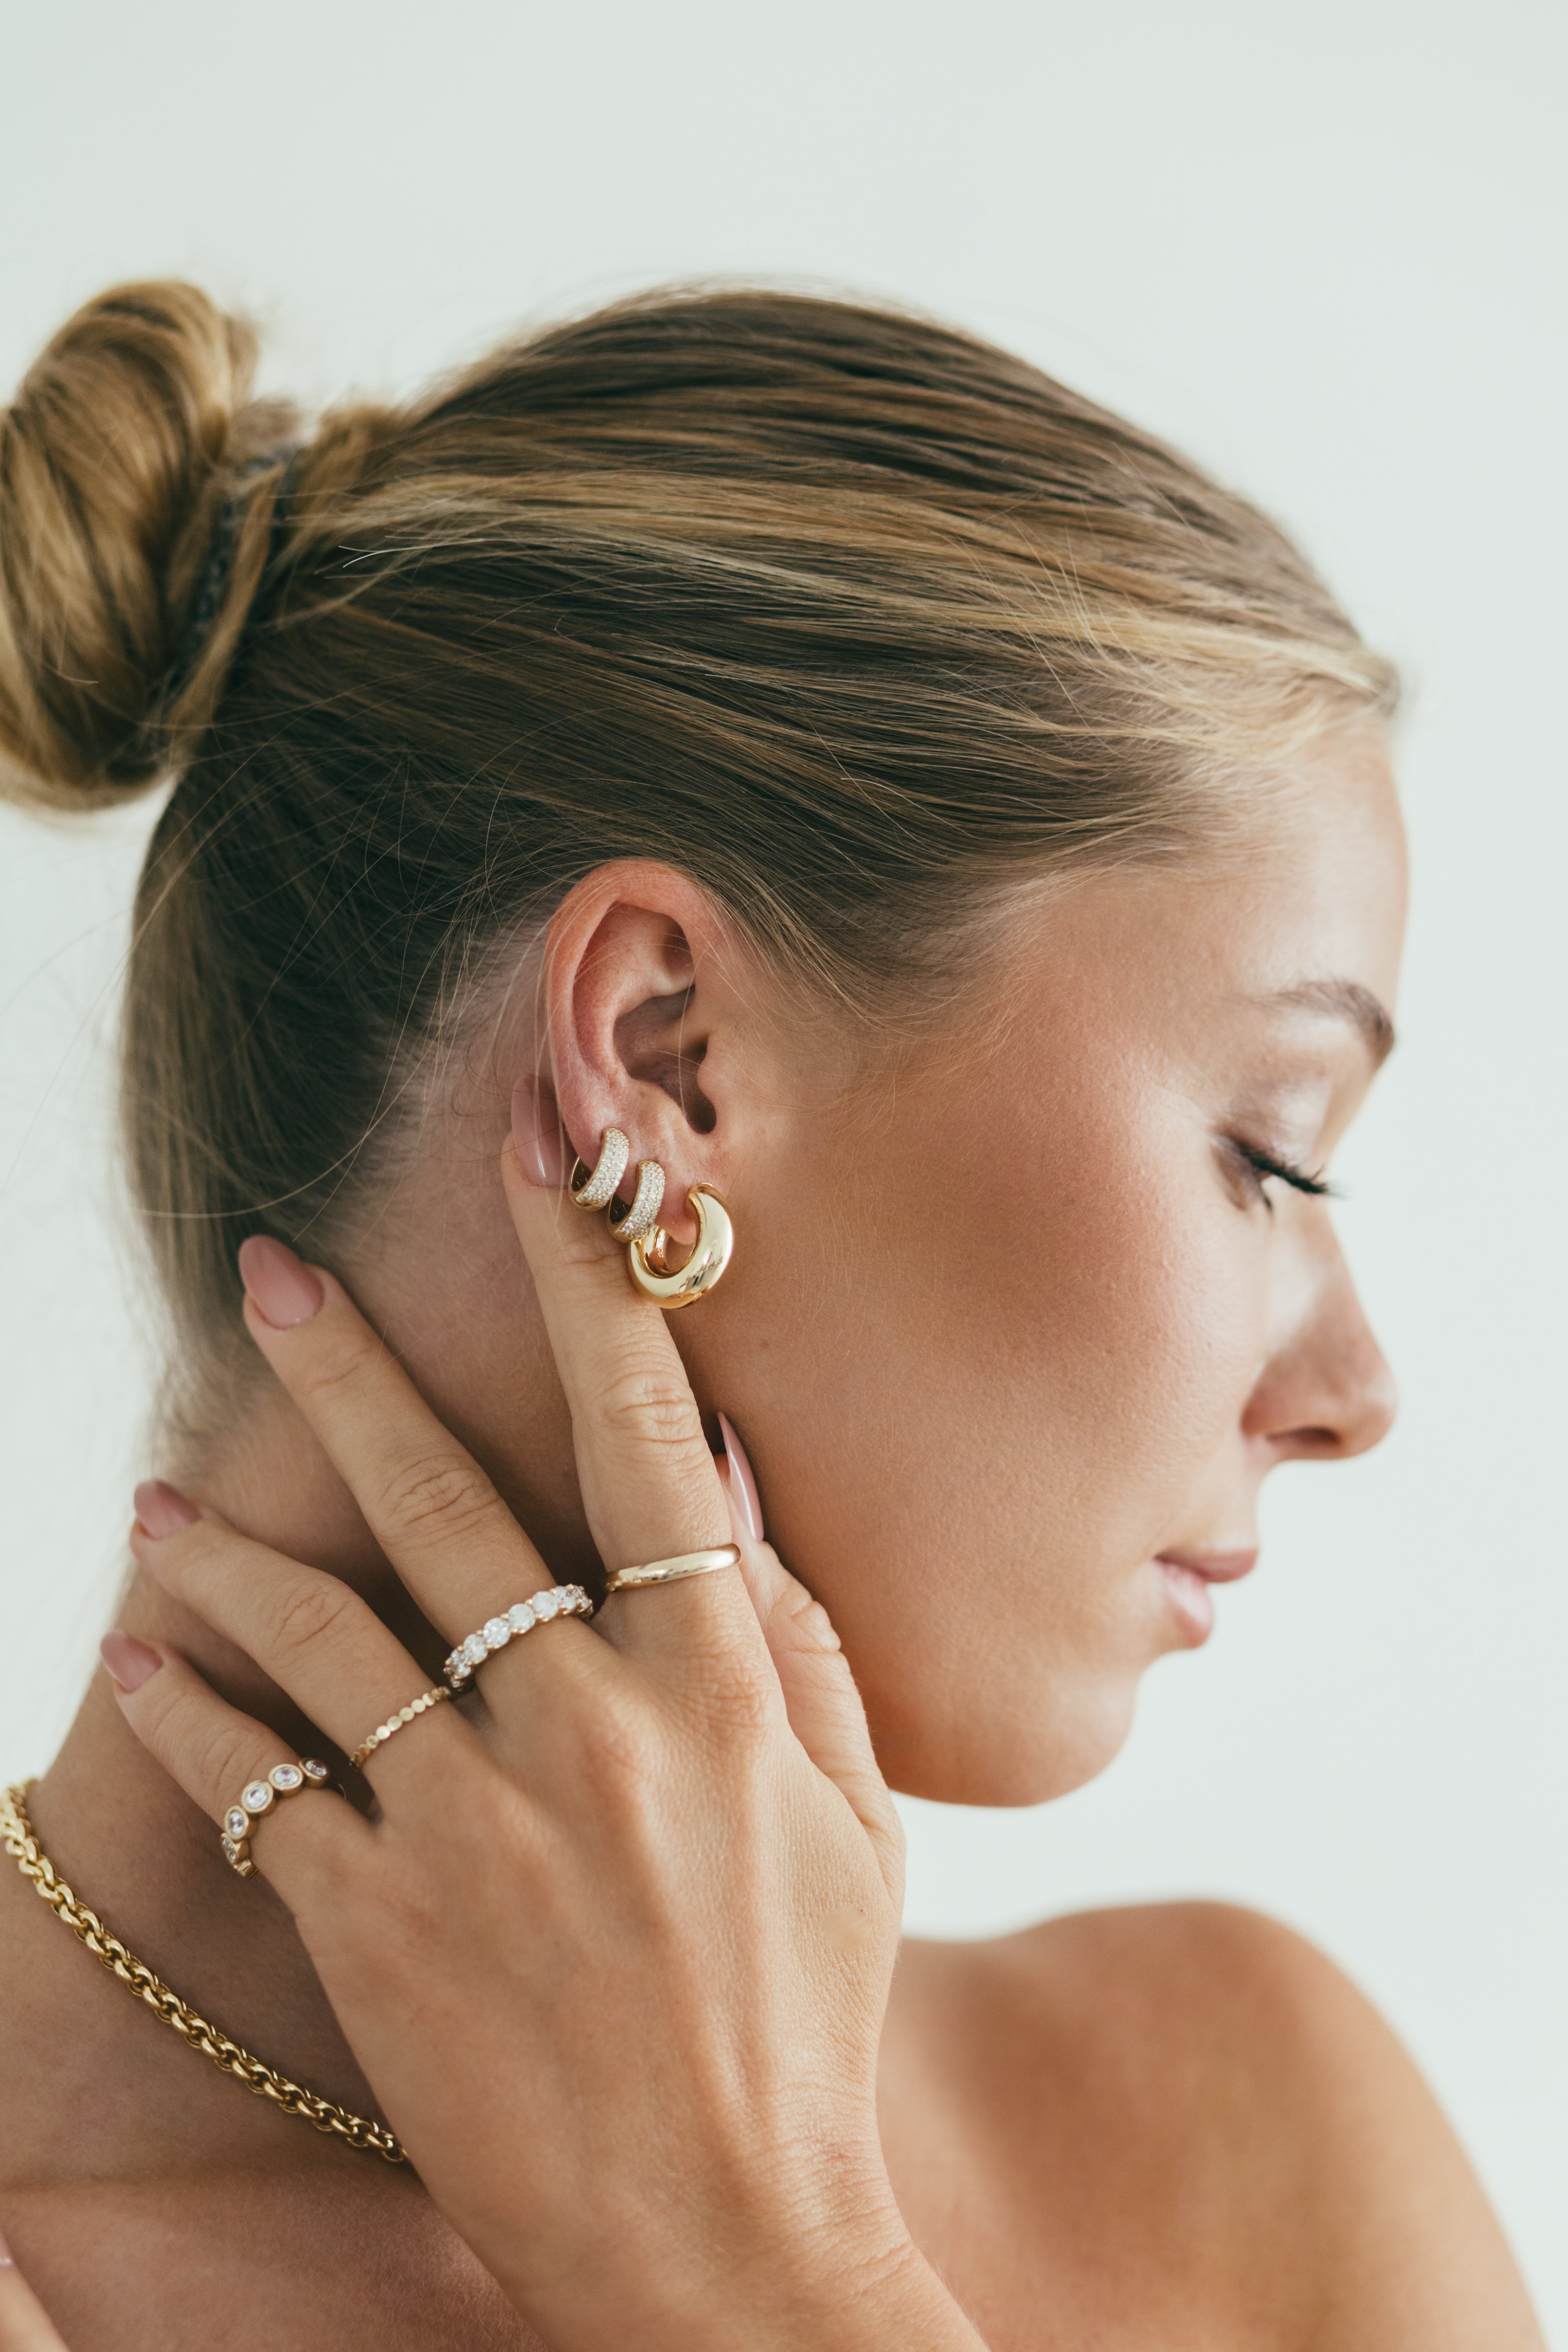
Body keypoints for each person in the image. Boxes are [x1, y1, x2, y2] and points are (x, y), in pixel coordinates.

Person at [0, 281, 1542, 2351]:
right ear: (663, 1054)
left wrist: (763, 2269)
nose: (1354, 1397)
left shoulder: (1251, 2122)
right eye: (1270, 1152)